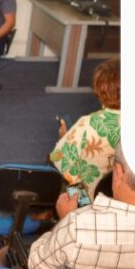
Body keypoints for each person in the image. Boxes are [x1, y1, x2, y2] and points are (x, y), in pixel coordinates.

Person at [49, 58, 120, 196]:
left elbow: (63, 166)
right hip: (133, 203)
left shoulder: (87, 124)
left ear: (99, 89)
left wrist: (64, 138)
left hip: (93, 204)